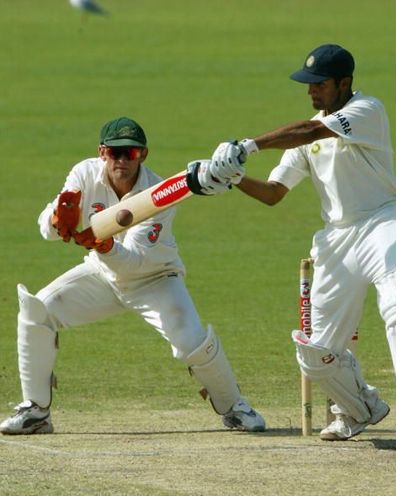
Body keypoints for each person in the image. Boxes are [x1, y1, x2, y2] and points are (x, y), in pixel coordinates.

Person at [204, 44, 396, 448]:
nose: (312, 91)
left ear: (345, 83)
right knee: (314, 351)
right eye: (309, 84)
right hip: (337, 238)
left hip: (383, 221)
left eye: (320, 84)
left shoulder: (367, 111)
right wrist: (231, 177)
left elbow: (313, 129)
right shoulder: (305, 136)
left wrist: (247, 147)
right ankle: (358, 408)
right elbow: (273, 193)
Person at [0, 116, 265, 435]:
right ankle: (36, 411)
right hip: (101, 274)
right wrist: (57, 219)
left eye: (132, 153)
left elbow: (134, 263)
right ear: (102, 153)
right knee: (37, 310)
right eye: (115, 153)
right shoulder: (84, 173)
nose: (123, 160)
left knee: (191, 343)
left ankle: (234, 406)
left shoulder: (158, 194)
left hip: (155, 279)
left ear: (144, 154)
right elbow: (47, 229)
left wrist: (104, 244)